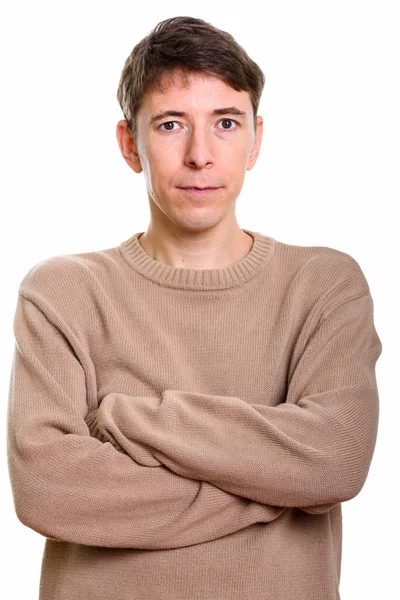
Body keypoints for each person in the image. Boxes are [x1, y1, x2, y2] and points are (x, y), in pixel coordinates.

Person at [7, 15, 382, 600]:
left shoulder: (323, 284)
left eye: (226, 123)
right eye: (171, 124)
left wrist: (128, 419)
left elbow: (336, 459)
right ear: (130, 144)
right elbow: (47, 487)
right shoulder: (63, 292)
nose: (200, 155)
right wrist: (274, 487)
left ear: (256, 139)